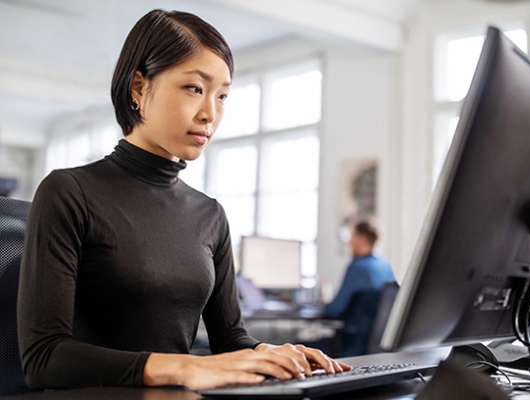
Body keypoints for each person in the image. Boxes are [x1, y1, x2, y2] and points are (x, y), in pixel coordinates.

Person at [17, 9, 349, 391]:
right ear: (139, 88)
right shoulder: (69, 193)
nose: (210, 113)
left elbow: (230, 340)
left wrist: (269, 353)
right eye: (194, 88)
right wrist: (184, 368)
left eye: (222, 95)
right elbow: (44, 359)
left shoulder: (210, 214)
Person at [325, 220, 396, 356]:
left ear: (361, 240)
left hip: (352, 345)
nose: (349, 242)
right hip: (377, 344)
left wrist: (324, 306)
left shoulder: (357, 268)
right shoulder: (384, 264)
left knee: (298, 345)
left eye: (352, 236)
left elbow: (334, 310)